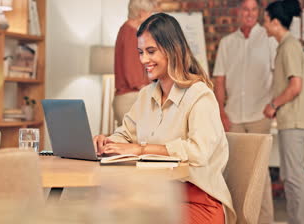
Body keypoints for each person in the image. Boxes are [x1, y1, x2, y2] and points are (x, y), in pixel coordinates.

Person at [94, 13, 236, 224]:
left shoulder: (200, 95)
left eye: (151, 51)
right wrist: (108, 142)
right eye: (141, 52)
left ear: (172, 50)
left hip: (198, 202)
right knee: (100, 212)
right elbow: (125, 133)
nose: (143, 60)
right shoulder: (145, 95)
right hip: (155, 197)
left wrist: (142, 149)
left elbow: (198, 151)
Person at [212, 0, 276, 224]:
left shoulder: (269, 40)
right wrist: (221, 112)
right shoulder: (227, 43)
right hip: (233, 116)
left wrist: (274, 105)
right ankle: (235, 219)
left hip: (259, 115)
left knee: (261, 174)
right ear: (238, 12)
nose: (249, 14)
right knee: (235, 172)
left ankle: (265, 220)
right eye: (245, 9)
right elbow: (219, 80)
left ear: (258, 13)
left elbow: (278, 74)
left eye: (253, 10)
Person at [263, 0, 304, 224]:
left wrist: (273, 105)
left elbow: (295, 86)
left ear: (275, 22)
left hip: (293, 121)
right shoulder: (285, 46)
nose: (263, 25)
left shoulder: (290, 46)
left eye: (265, 20)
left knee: (294, 178)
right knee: (290, 177)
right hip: (290, 121)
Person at [113, 0, 157, 126]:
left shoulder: (126, 31)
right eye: (150, 12)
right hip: (130, 99)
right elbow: (133, 75)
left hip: (129, 98)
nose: (151, 16)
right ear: (142, 12)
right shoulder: (130, 34)